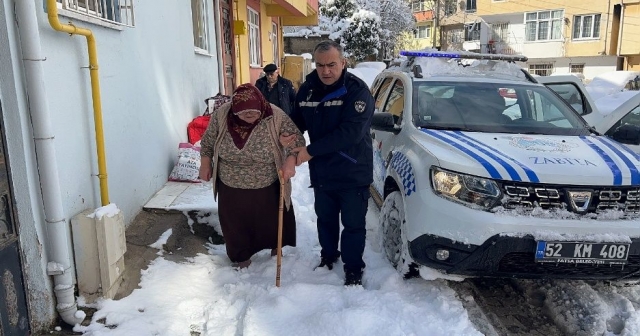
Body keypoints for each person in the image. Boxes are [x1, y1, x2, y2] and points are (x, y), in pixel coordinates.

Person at [283, 40, 374, 286]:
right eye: (320, 65)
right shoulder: (307, 89)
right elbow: (297, 121)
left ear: (343, 63)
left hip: (353, 170)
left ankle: (353, 268)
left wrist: (309, 151)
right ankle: (328, 256)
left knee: (353, 225)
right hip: (323, 171)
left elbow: (350, 134)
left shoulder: (357, 91)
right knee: (326, 219)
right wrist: (288, 136)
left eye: (332, 65)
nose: (326, 71)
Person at [198, 83, 305, 269]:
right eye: (244, 113)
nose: (250, 116)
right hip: (231, 182)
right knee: (235, 225)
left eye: (254, 113)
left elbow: (297, 140)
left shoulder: (274, 114)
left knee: (272, 220)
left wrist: (290, 158)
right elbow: (207, 142)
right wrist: (205, 163)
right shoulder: (223, 114)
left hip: (267, 180)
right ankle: (241, 257)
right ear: (234, 110)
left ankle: (275, 247)